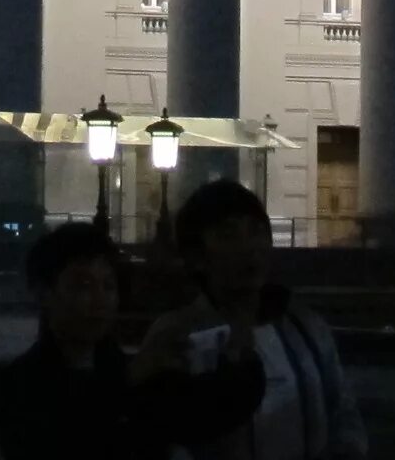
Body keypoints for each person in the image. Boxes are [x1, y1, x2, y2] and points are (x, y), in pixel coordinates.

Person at [0, 220, 263, 460]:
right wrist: (132, 379)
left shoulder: (133, 371)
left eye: (108, 285)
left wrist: (238, 360)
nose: (100, 300)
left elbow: (207, 420)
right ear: (45, 294)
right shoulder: (15, 388)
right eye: (83, 286)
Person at [148, 179, 366, 460]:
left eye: (257, 231)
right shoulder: (177, 336)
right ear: (197, 257)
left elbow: (342, 409)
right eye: (229, 234)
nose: (249, 247)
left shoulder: (304, 325)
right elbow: (165, 434)